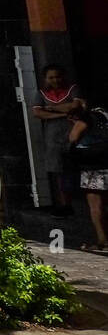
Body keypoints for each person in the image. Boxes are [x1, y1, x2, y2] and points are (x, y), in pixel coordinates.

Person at [33, 64, 85, 216]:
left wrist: (50, 108)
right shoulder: (41, 93)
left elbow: (75, 106)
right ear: (46, 79)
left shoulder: (72, 89)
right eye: (51, 77)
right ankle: (65, 204)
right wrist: (62, 113)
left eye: (57, 76)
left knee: (78, 168)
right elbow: (38, 113)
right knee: (59, 171)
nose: (55, 80)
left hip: (74, 134)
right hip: (53, 137)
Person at [69, 105, 108, 252]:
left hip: (94, 166)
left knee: (95, 206)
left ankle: (102, 241)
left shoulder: (88, 117)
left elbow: (73, 137)